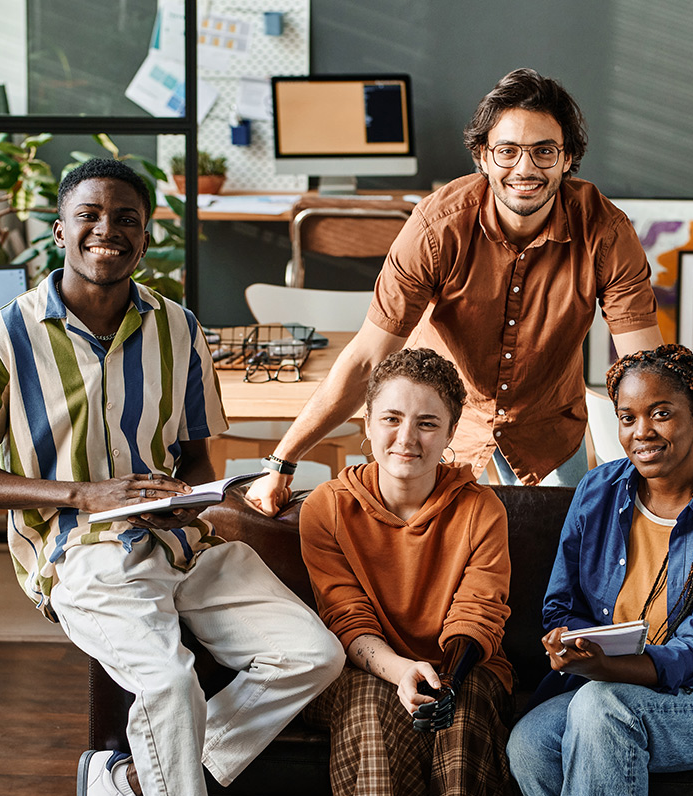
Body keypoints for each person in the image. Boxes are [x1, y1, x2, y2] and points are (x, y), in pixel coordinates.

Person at [0, 158, 344, 796]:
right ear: (58, 231)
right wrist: (82, 494)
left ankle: (130, 780)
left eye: (127, 218)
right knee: (169, 685)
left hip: (181, 543)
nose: (108, 230)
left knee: (314, 656)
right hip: (80, 553)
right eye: (89, 216)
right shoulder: (6, 336)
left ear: (147, 235)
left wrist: (188, 501)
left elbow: (199, 458)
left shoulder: (179, 328)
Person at [247, 67, 663, 515]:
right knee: (422, 557)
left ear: (567, 158)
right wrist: (281, 460)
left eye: (544, 151)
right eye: (507, 151)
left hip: (549, 426)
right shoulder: (435, 227)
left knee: (565, 553)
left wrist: (687, 468)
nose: (525, 169)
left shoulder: (606, 232)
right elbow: (368, 359)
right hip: (441, 424)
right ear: (482, 157)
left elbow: (646, 368)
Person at [505, 344, 693, 796]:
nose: (641, 432)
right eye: (627, 418)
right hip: (603, 682)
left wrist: (611, 666)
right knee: (529, 743)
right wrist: (570, 642)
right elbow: (561, 605)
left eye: (661, 413)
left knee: (599, 708)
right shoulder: (598, 489)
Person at [299, 348, 516, 796]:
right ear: (367, 423)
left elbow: (478, 614)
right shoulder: (328, 507)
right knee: (368, 709)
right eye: (392, 418)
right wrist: (400, 672)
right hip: (366, 667)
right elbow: (346, 617)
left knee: (461, 711)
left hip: (464, 669)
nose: (407, 438)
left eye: (428, 423)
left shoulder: (481, 509)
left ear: (451, 432)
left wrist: (446, 683)